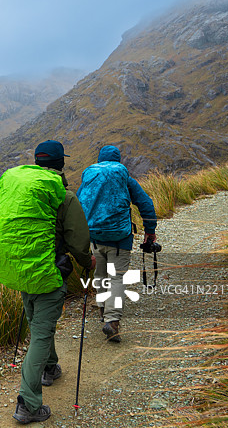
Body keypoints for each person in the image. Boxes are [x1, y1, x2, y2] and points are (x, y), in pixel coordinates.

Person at [0, 140, 95, 424]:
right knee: (41, 334)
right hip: (49, 275)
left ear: (37, 162)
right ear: (61, 164)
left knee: (39, 325)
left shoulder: (25, 191)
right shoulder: (63, 195)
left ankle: (50, 367)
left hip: (23, 272)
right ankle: (28, 403)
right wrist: (88, 263)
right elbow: (78, 242)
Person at [76, 145, 157, 343]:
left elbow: (78, 203)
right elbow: (145, 202)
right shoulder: (124, 179)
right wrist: (150, 230)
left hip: (95, 237)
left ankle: (104, 311)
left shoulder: (90, 178)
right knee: (117, 277)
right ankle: (112, 322)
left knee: (101, 275)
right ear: (118, 160)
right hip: (120, 239)